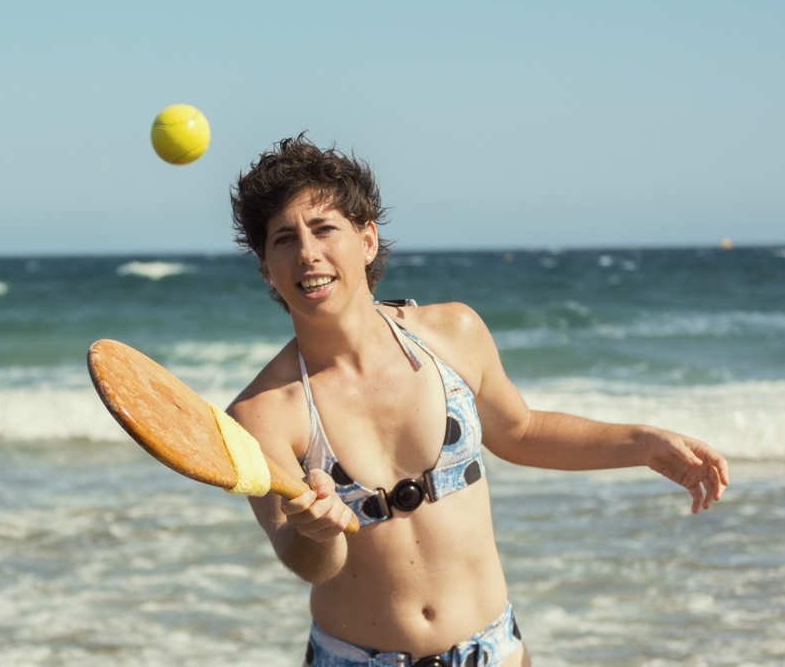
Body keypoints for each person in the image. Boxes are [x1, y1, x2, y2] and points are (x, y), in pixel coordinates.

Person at [228, 135, 729, 667]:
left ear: (367, 241)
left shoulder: (452, 333)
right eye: (283, 239)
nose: (307, 252)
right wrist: (318, 532)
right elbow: (301, 557)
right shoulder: (261, 413)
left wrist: (643, 443)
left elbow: (522, 431)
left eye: (324, 228)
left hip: (493, 652)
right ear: (266, 269)